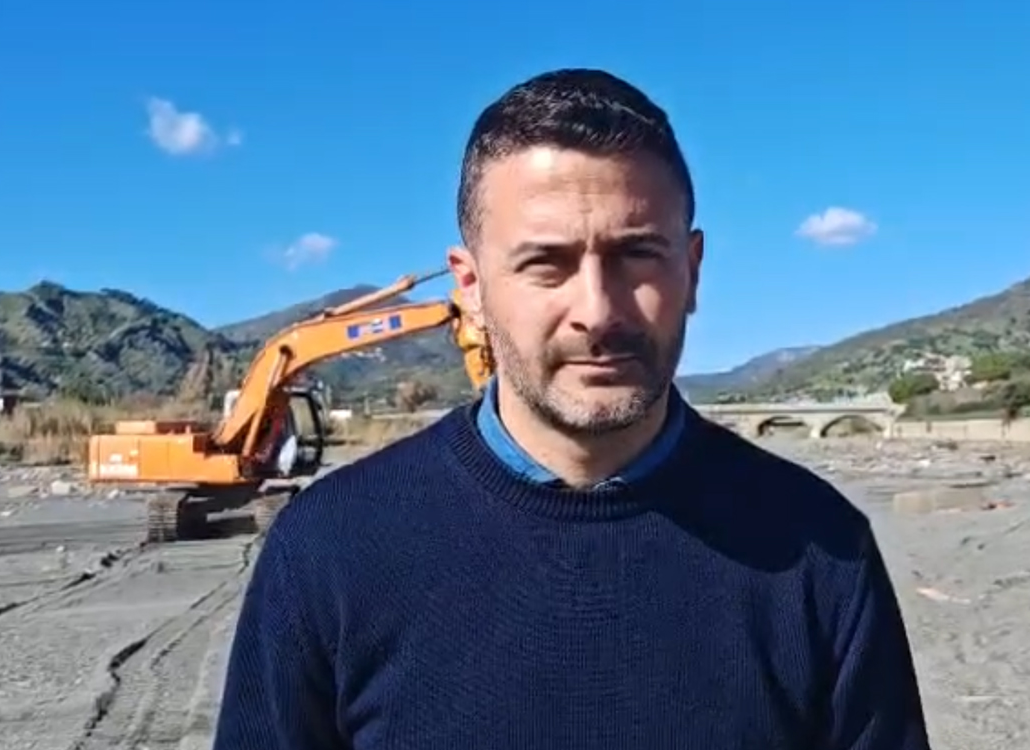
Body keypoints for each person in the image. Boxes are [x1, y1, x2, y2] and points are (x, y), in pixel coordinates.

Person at [213, 67, 931, 749]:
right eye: (546, 263)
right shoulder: (330, 549)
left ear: (692, 270)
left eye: (637, 254)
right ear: (471, 288)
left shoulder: (820, 549)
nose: (598, 310)